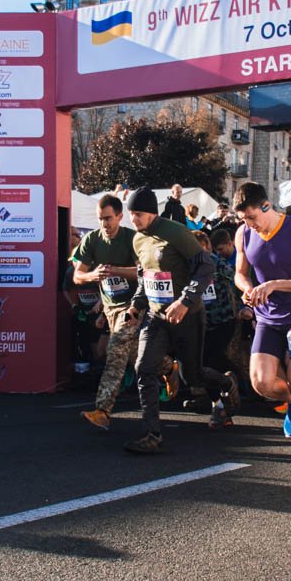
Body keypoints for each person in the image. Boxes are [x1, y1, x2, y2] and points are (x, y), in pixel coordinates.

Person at [119, 187, 236, 454]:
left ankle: (226, 383)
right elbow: (145, 277)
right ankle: (152, 434)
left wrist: (184, 301)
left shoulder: (175, 232)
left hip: (188, 317)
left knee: (192, 375)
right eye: (130, 214)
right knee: (144, 367)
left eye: (137, 214)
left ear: (151, 212)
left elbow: (205, 266)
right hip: (156, 317)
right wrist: (136, 306)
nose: (133, 220)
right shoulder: (138, 239)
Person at [233, 181, 291, 466]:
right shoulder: (243, 233)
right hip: (267, 316)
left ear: (266, 206)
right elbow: (239, 273)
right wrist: (247, 289)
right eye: (244, 220)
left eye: (252, 217)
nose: (250, 224)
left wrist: (274, 284)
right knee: (261, 383)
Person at [77, 195, 141, 430]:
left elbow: (143, 273)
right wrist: (92, 276)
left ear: (120, 217)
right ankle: (168, 367)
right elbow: (77, 275)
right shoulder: (92, 240)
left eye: (108, 218)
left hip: (134, 306)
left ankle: (103, 410)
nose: (105, 224)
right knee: (134, 354)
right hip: (111, 308)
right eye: (100, 219)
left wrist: (115, 270)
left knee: (115, 352)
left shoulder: (131, 239)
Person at [193, 230, 245, 427]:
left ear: (207, 246)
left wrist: (243, 306)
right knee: (204, 365)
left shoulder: (217, 263)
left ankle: (223, 400)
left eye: (200, 249)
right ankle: (221, 404)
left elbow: (237, 282)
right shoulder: (188, 267)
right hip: (201, 323)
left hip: (223, 321)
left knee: (209, 361)